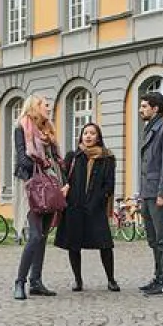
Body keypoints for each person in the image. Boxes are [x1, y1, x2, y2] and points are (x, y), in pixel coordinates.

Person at [56, 122, 119, 292]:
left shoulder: (107, 157)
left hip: (96, 207)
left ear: (98, 137)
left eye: (92, 133)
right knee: (73, 244)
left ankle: (111, 279)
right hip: (74, 207)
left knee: (105, 244)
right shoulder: (74, 156)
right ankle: (78, 280)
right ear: (81, 136)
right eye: (85, 133)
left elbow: (110, 184)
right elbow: (63, 178)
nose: (88, 136)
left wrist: (99, 199)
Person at [13, 95, 64, 300]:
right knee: (34, 235)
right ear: (34, 107)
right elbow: (22, 157)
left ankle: (36, 282)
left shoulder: (48, 131)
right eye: (45, 105)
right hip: (30, 185)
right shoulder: (22, 127)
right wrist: (42, 166)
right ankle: (20, 282)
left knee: (42, 236)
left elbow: (56, 160)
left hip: (48, 186)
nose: (48, 109)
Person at [138, 90, 163, 296]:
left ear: (155, 109)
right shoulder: (149, 129)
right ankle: (157, 276)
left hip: (158, 192)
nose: (140, 109)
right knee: (153, 238)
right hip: (147, 192)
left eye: (144, 106)